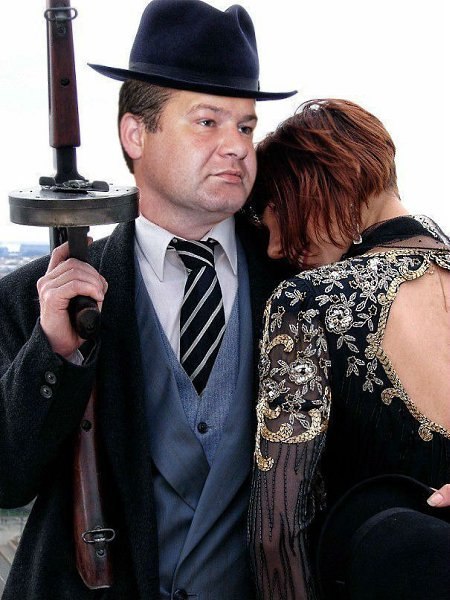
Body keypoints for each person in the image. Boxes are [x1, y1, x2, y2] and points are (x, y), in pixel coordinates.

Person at [0, 1, 296, 598]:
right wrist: (54, 353)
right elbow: (7, 478)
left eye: (246, 127)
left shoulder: (299, 287)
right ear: (136, 134)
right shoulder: (31, 299)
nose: (237, 147)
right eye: (208, 122)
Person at [247, 99, 450, 600]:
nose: (274, 247)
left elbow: (275, 531)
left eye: (279, 208)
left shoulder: (308, 301)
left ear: (333, 181)